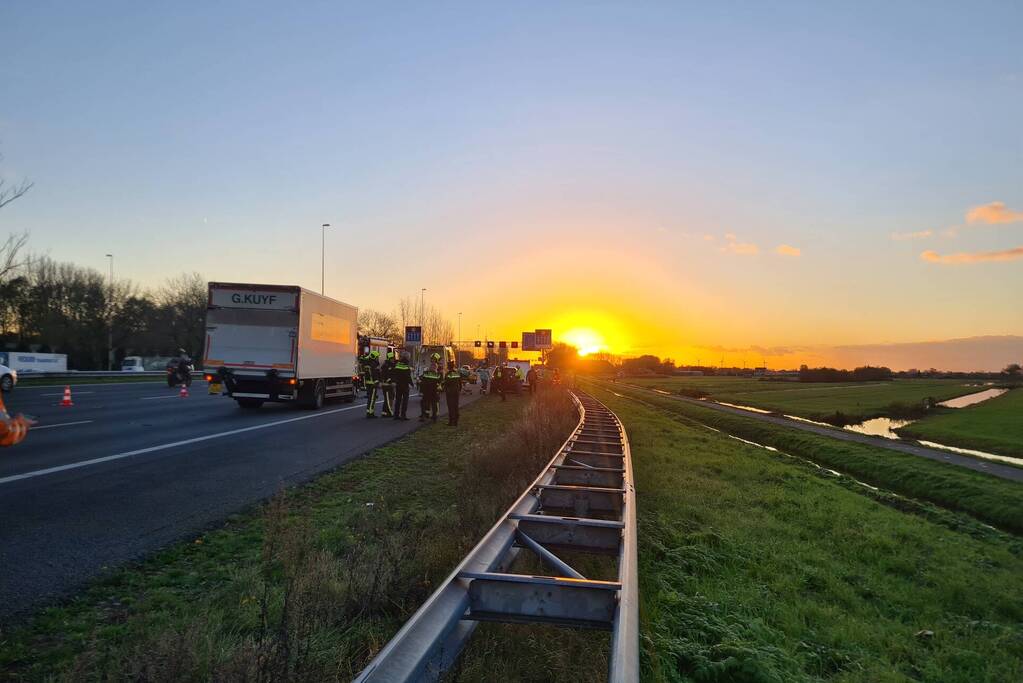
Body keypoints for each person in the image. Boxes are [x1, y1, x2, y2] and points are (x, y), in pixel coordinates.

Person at [359, 349, 381, 418]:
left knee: (370, 398)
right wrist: (376, 381)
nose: (377, 358)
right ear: (374, 357)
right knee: (372, 399)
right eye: (377, 357)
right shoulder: (373, 364)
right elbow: (374, 374)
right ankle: (370, 413)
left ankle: (369, 411)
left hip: (368, 383)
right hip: (373, 384)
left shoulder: (367, 363)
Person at [443, 360, 463, 425]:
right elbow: (460, 382)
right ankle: (456, 420)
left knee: (450, 406)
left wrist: (445, 389)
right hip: (456, 391)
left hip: (450, 392)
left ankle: (451, 421)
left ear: (448, 367)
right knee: (456, 405)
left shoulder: (448, 374)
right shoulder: (457, 373)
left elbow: (446, 383)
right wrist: (459, 389)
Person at [379, 350, 397, 417]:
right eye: (392, 358)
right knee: (388, 399)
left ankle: (384, 412)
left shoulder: (392, 365)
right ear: (389, 359)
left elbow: (393, 375)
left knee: (390, 398)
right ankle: (390, 412)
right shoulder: (386, 366)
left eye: (393, 358)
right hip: (387, 385)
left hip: (390, 385)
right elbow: (385, 376)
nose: (393, 359)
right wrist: (391, 381)